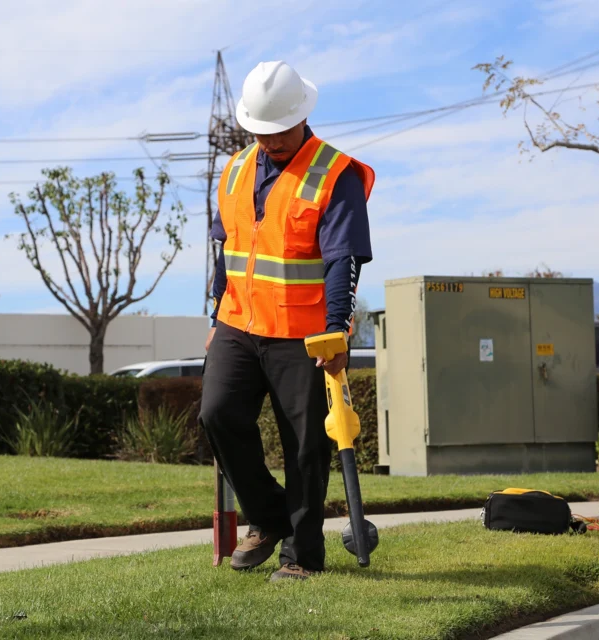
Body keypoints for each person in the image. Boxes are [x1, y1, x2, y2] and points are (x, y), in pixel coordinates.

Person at [199, 60, 375, 582]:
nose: (270, 141)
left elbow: (343, 257)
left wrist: (338, 329)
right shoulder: (233, 170)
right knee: (217, 414)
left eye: (279, 132)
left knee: (305, 445)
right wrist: (215, 311)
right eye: (260, 131)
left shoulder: (334, 172)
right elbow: (224, 247)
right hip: (238, 322)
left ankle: (301, 556)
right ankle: (271, 518)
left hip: (304, 332)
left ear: (302, 117)